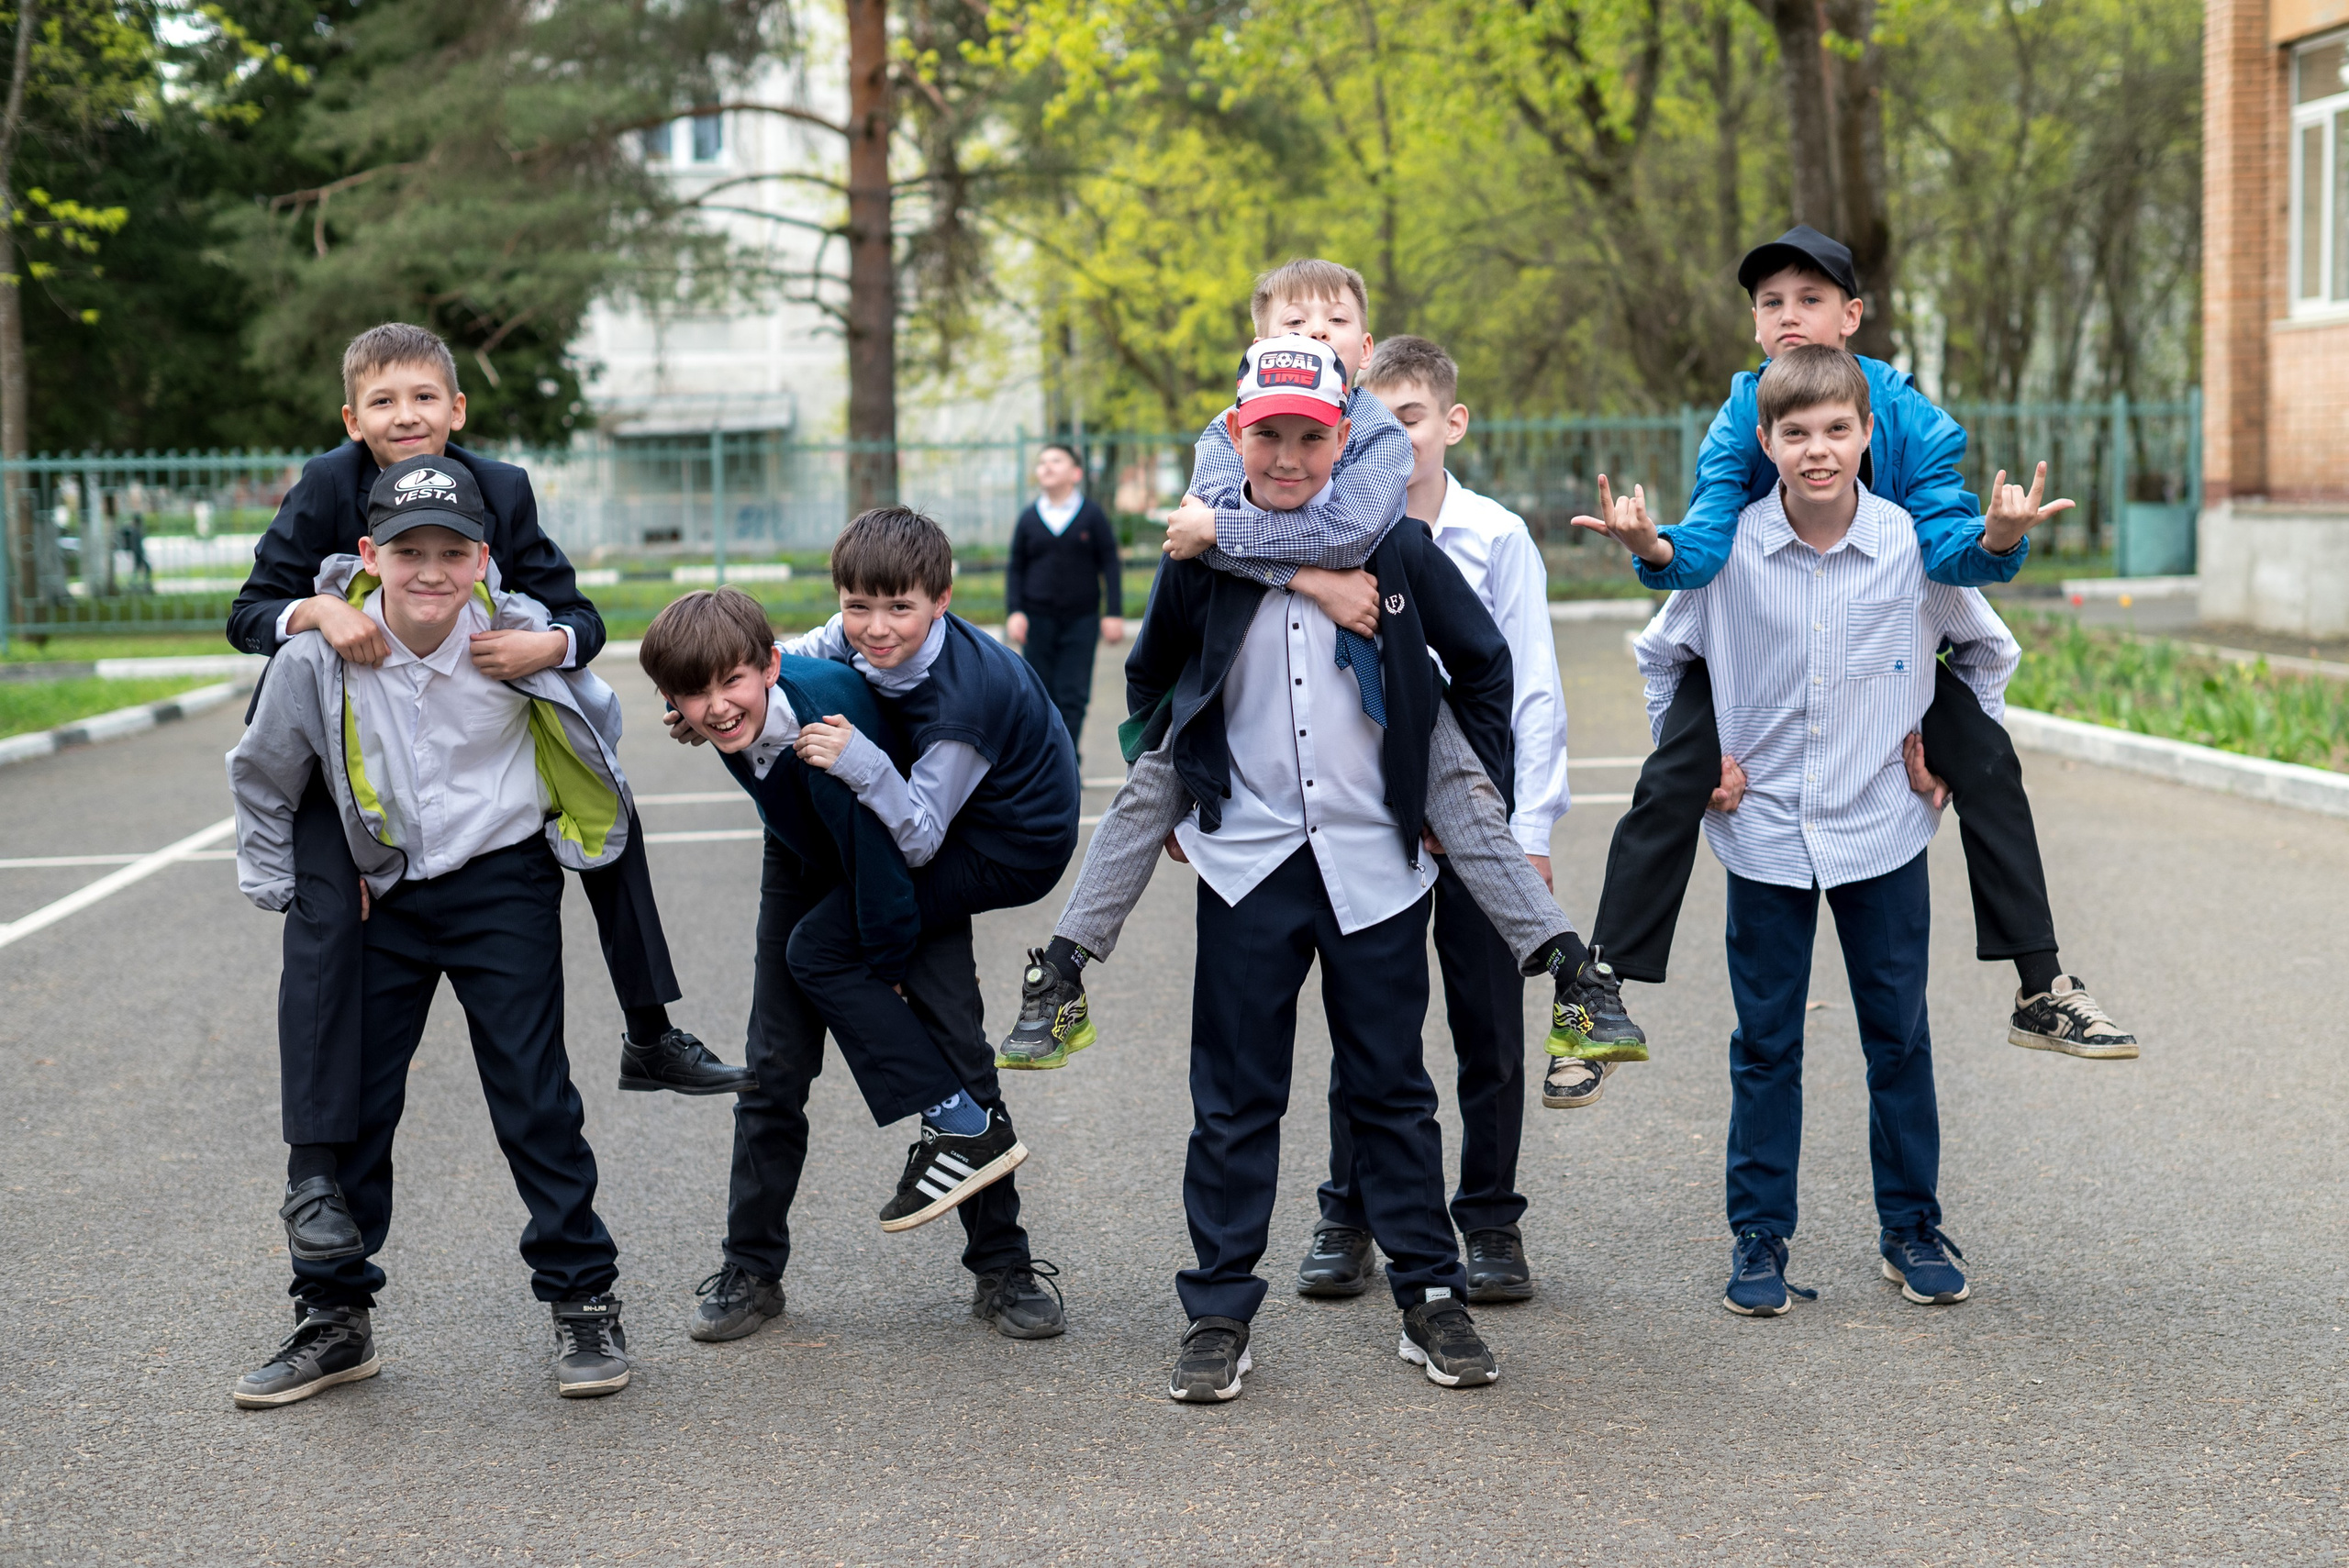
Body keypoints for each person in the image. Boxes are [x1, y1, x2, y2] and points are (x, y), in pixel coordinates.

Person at [996, 260, 1632, 1086]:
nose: (1313, 337)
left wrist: (1253, 544)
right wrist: (1305, 576)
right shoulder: (1225, 430)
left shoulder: (1370, 430)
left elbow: (1333, 530)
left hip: (1382, 672)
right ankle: (1064, 970)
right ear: (1259, 344)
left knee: (1464, 795)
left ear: (1363, 349)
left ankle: (1573, 976)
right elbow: (1251, 527)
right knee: (1147, 788)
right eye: (1292, 327)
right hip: (1236, 691)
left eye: (1331, 325)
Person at [228, 325, 749, 1274]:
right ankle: (317, 1198)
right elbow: (246, 613)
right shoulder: (323, 487)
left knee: (602, 806)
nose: (406, 416)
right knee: (323, 924)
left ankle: (650, 1027)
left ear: (456, 408)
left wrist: (548, 646)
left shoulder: (497, 490)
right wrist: (321, 610)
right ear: (353, 419)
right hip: (334, 758)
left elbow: (577, 614)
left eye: (424, 398)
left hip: (479, 770)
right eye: (383, 403)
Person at [1574, 228, 2136, 1060]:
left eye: (1811, 299)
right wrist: (1656, 551)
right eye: (1772, 304)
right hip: (1754, 653)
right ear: (1756, 326)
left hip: (1879, 648)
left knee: (1984, 755)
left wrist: (1997, 540)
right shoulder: (1746, 412)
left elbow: (1944, 547)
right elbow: (1706, 539)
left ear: (1852, 315)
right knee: (1673, 774)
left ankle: (2040, 984)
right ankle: (1598, 991)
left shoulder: (1908, 418)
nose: (1790, 316)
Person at [1130, 332, 1517, 1401]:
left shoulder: (1393, 549)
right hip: (1248, 864)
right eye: (1271, 437)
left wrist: (1456, 799)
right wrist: (1173, 782)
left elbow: (1485, 667)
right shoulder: (1202, 558)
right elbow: (1149, 677)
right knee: (1236, 1095)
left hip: (1374, 865)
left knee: (1390, 1086)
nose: (1290, 456)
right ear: (1236, 440)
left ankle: (1428, 1295)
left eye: (1311, 436)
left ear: (1345, 439)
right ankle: (1216, 1307)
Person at [225, 457, 636, 1407]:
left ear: (481, 557)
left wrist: (569, 831)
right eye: (409, 551)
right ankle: (334, 1316)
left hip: (501, 884)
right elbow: (264, 774)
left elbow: (595, 726)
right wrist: (302, 890)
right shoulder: (317, 657)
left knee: (534, 1096)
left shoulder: (515, 641)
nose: (430, 570)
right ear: (370, 554)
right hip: (382, 893)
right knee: (356, 1103)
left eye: (452, 551)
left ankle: (582, 1298)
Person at [1626, 346, 2018, 1317]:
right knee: (1764, 1042)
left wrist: (1945, 758)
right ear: (1763, 441)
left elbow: (1985, 648)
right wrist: (1696, 765)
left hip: (1880, 828)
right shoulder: (1725, 557)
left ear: (1864, 435)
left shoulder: (1908, 546)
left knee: (1898, 1037)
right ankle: (1758, 1237)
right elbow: (1660, 658)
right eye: (1793, 432)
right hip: (1761, 834)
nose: (1815, 449)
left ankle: (1911, 1228)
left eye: (1835, 429)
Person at [640, 587, 1065, 1342]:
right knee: (772, 1069)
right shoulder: (734, 701)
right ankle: (751, 1267)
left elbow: (887, 873)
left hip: (892, 863)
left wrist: (887, 964)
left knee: (957, 1047)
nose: (716, 706)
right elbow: (737, 676)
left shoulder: (821, 744)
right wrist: (700, 697)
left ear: (767, 669)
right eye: (693, 695)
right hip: (802, 856)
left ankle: (1004, 1264)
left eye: (729, 684)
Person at [674, 507, 1080, 1230]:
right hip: (913, 816)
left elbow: (921, 837)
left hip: (1004, 842)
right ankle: (754, 1258)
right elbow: (783, 660)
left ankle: (975, 1168)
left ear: (943, 598)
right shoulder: (851, 635)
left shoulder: (966, 697)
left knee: (828, 949)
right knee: (790, 1025)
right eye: (858, 605)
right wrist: (712, 693)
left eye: (901, 607)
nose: (876, 628)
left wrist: (861, 760)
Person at [1293, 334, 1579, 1311]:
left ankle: (1490, 1220)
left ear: (1451, 423)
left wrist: (1524, 830)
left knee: (1488, 1023)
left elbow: (1530, 689)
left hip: (1475, 825)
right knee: (1369, 1020)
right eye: (1372, 420)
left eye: (1410, 417)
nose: (1392, 437)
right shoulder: (1331, 536)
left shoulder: (1496, 538)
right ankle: (1350, 1213)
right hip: (1370, 817)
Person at [1004, 441, 1124, 760]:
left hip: (1081, 620)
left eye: (1056, 461)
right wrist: (1015, 611)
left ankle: (1067, 759)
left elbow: (1110, 563)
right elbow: (1016, 567)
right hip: (1037, 618)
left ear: (1075, 473)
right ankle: (1043, 761)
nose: (1047, 466)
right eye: (1042, 462)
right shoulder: (1029, 518)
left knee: (1073, 694)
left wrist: (1113, 613)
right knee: (1039, 693)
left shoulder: (1092, 516)